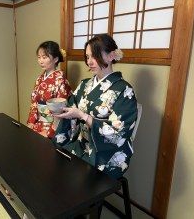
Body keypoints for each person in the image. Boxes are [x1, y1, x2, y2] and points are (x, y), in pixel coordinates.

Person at [53, 34, 138, 179]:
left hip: (107, 154)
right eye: (87, 57)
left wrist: (83, 116)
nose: (89, 62)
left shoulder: (125, 91)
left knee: (69, 178)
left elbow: (119, 132)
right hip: (81, 143)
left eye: (95, 56)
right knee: (55, 159)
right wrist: (61, 110)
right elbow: (71, 106)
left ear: (111, 56)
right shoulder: (85, 84)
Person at [27, 41, 72, 138]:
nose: (41, 61)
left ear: (55, 59)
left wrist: (50, 132)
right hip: (38, 123)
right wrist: (31, 122)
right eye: (39, 57)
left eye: (44, 57)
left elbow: (61, 110)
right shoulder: (39, 79)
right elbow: (34, 103)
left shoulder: (60, 80)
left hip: (53, 127)